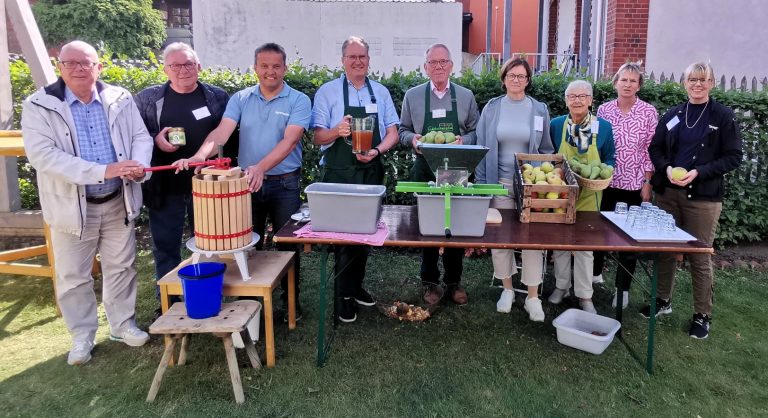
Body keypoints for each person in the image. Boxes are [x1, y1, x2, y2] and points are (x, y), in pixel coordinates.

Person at [21, 40, 153, 365]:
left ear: (99, 67)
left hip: (117, 199)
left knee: (121, 267)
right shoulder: (40, 105)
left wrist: (137, 165)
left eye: (86, 63)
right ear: (60, 67)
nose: (80, 69)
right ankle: (82, 337)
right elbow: (44, 156)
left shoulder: (119, 98)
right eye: (71, 63)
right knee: (73, 276)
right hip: (71, 207)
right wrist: (104, 170)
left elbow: (140, 137)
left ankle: (123, 325)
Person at [175, 42, 311, 319]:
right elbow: (221, 134)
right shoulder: (241, 98)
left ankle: (290, 305)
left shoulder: (299, 100)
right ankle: (253, 306)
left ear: (285, 68)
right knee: (248, 246)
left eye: (276, 66)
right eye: (264, 66)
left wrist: (260, 167)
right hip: (245, 184)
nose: (270, 71)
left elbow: (290, 140)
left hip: (285, 183)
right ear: (255, 68)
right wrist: (198, 157)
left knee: (288, 246)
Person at [646, 62, 742, 339]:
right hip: (668, 194)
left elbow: (733, 156)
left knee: (699, 256)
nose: (697, 84)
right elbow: (656, 147)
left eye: (703, 80)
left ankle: (702, 315)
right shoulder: (674, 114)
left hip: (702, 198)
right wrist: (665, 169)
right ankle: (662, 301)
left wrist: (699, 172)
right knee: (664, 251)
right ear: (684, 82)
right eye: (692, 79)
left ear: (712, 83)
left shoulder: (723, 116)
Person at [135, 42, 231, 317]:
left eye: (189, 64)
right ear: (165, 69)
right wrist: (156, 140)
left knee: (210, 246)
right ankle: (168, 301)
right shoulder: (147, 99)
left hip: (207, 186)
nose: (183, 70)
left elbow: (228, 135)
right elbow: (134, 137)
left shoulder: (217, 97)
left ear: (199, 66)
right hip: (166, 187)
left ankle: (212, 293)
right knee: (165, 246)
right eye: (175, 65)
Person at [311, 36, 400, 323]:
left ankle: (355, 285)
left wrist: (377, 150)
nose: (358, 61)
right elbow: (316, 137)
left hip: (370, 171)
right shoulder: (328, 92)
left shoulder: (381, 92)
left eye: (362, 56)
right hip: (339, 172)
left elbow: (393, 133)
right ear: (343, 61)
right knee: (342, 236)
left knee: (365, 234)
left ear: (369, 60)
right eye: (352, 57)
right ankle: (342, 296)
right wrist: (338, 131)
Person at [398, 43, 480, 305]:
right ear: (425, 67)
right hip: (425, 167)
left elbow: (476, 132)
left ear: (452, 65)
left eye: (443, 62)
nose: (439, 67)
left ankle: (454, 282)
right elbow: (402, 131)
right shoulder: (413, 96)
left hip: (457, 167)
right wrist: (415, 140)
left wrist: (462, 142)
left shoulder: (466, 96)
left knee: (455, 227)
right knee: (428, 226)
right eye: (433, 63)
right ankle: (430, 282)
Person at [475, 57, 554, 321]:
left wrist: (544, 181)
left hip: (530, 187)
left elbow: (545, 149)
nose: (516, 80)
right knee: (500, 239)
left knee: (533, 240)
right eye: (512, 76)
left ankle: (533, 296)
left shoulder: (539, 109)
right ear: (504, 79)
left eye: (521, 76)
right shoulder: (492, 108)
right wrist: (483, 185)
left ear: (528, 80)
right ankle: (507, 289)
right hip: (498, 184)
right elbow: (481, 146)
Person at [592, 63, 658, 309]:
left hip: (634, 184)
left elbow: (651, 149)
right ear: (616, 83)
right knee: (599, 232)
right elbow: (598, 145)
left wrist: (647, 182)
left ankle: (623, 290)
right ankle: (596, 274)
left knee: (628, 240)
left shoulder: (648, 112)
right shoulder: (604, 109)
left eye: (633, 81)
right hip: (606, 181)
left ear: (639, 85)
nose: (628, 84)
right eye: (624, 80)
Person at [548, 79, 615, 314]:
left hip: (591, 193)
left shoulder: (603, 127)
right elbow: (551, 157)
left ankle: (585, 295)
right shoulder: (556, 125)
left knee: (586, 246)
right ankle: (561, 286)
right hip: (562, 191)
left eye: (582, 96)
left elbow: (609, 158)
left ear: (590, 100)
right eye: (572, 96)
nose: (577, 100)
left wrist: (605, 171)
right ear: (566, 101)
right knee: (560, 243)